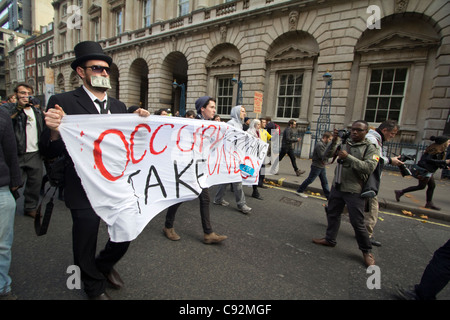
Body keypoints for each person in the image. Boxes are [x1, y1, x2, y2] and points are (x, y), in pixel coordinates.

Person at [41, 41, 151, 300]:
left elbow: (129, 144)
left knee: (126, 229)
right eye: (97, 68)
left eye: (106, 69)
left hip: (114, 184)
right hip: (81, 185)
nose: (103, 73)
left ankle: (103, 265)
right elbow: (48, 150)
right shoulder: (63, 101)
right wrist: (55, 131)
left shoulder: (119, 107)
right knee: (85, 237)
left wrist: (146, 123)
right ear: (81, 72)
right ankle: (93, 287)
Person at [312, 120, 379, 267]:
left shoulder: (370, 148)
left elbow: (369, 167)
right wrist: (335, 141)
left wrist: (348, 157)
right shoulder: (345, 143)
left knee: (357, 222)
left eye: (359, 130)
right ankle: (330, 239)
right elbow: (326, 155)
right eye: (353, 129)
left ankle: (366, 251)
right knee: (332, 213)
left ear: (366, 132)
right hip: (338, 186)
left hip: (355, 190)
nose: (354, 132)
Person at [163, 96, 228, 244]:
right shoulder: (191, 124)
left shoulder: (210, 125)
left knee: (205, 199)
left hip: (199, 168)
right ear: (202, 109)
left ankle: (208, 233)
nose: (214, 110)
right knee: (179, 197)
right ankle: (168, 226)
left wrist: (221, 131)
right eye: (211, 107)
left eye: (214, 107)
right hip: (187, 167)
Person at [2, 83, 44, 218]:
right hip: (17, 152)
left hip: (35, 153)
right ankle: (9, 205)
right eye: (22, 93)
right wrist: (18, 108)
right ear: (16, 95)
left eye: (28, 93)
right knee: (13, 183)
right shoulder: (8, 109)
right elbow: (6, 122)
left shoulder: (36, 111)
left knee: (34, 183)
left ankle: (30, 207)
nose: (26, 96)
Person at [364, 120, 403, 247]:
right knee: (372, 209)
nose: (393, 136)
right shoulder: (372, 139)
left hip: (370, 178)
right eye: (393, 133)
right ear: (385, 130)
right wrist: (390, 160)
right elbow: (374, 158)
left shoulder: (377, 139)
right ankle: (366, 236)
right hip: (369, 179)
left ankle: (334, 208)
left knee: (358, 202)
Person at [213, 105, 252, 213]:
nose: (244, 113)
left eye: (244, 111)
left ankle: (218, 199)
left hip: (235, 157)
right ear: (236, 112)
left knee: (225, 180)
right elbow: (228, 140)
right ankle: (241, 205)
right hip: (230, 157)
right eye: (242, 111)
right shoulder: (231, 124)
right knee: (237, 181)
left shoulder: (239, 124)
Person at [0, 110, 22, 300]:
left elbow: (10, 150)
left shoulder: (2, 115)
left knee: (2, 245)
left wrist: (15, 180)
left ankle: (2, 286)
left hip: (0, 187)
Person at [395, 135, 450, 210]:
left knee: (431, 186)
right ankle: (400, 192)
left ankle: (429, 203)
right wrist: (444, 162)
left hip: (429, 171)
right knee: (422, 186)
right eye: (448, 141)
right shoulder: (433, 149)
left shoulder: (441, 151)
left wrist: (445, 166)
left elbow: (436, 163)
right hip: (424, 171)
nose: (449, 143)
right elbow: (428, 160)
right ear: (443, 143)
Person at [296, 131, 337, 199]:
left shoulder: (324, 145)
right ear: (325, 138)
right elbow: (322, 156)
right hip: (317, 166)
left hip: (321, 166)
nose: (330, 141)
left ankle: (328, 196)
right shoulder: (320, 145)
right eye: (329, 139)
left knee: (324, 182)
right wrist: (329, 154)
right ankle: (299, 190)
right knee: (310, 180)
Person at [247, 118, 264, 200]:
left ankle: (255, 190)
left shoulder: (259, 132)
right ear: (254, 125)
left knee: (256, 172)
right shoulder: (249, 131)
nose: (259, 126)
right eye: (258, 124)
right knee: (249, 172)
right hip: (250, 156)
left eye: (260, 124)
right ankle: (233, 184)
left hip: (257, 156)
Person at [258, 118, 271, 188]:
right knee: (259, 168)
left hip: (263, 152)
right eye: (263, 122)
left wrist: (276, 132)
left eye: (265, 122)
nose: (265, 124)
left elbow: (271, 138)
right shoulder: (258, 131)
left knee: (262, 168)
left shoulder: (265, 131)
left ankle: (260, 182)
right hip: (258, 152)